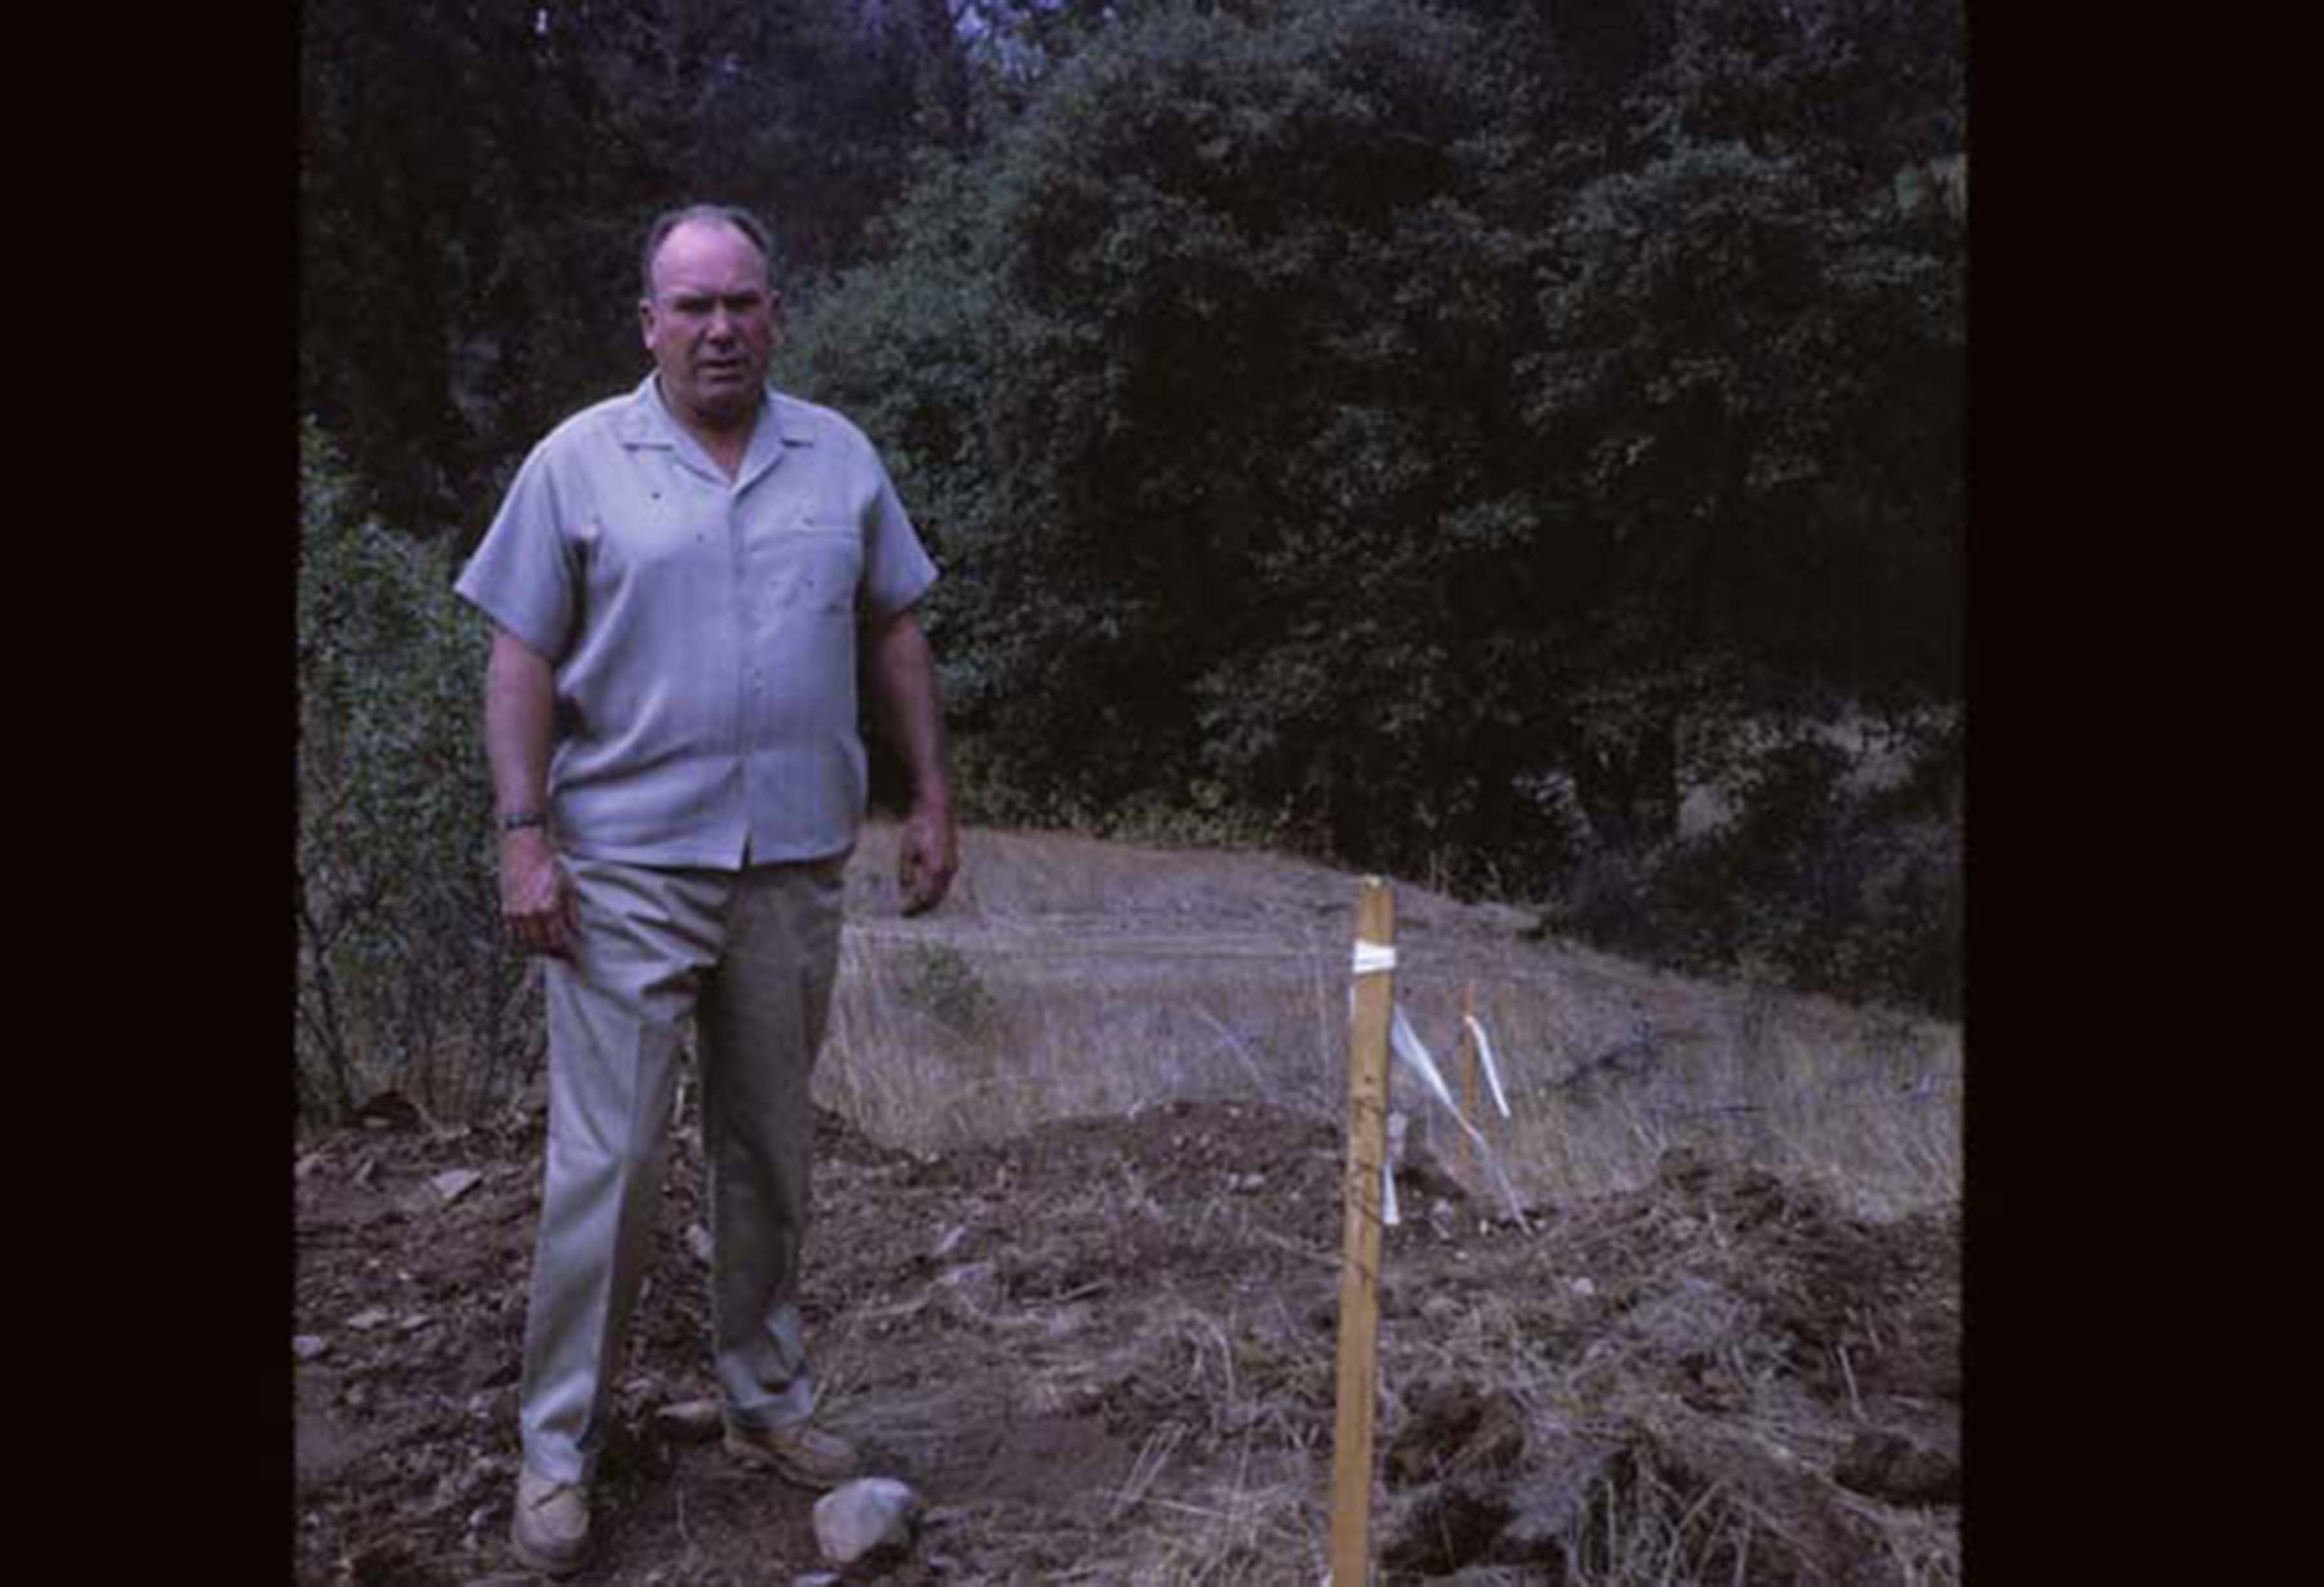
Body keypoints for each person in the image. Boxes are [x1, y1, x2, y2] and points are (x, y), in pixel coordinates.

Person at [453, 201, 957, 1576]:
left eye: (743, 302)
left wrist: (931, 797)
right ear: (649, 323)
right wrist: (522, 834)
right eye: (694, 306)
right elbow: (517, 658)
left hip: (793, 861)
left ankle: (767, 1399)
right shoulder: (577, 464)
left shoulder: (837, 459)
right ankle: (557, 1451)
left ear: (775, 313)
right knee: (606, 1168)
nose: (721, 327)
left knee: (770, 1150)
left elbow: (897, 627)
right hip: (622, 866)